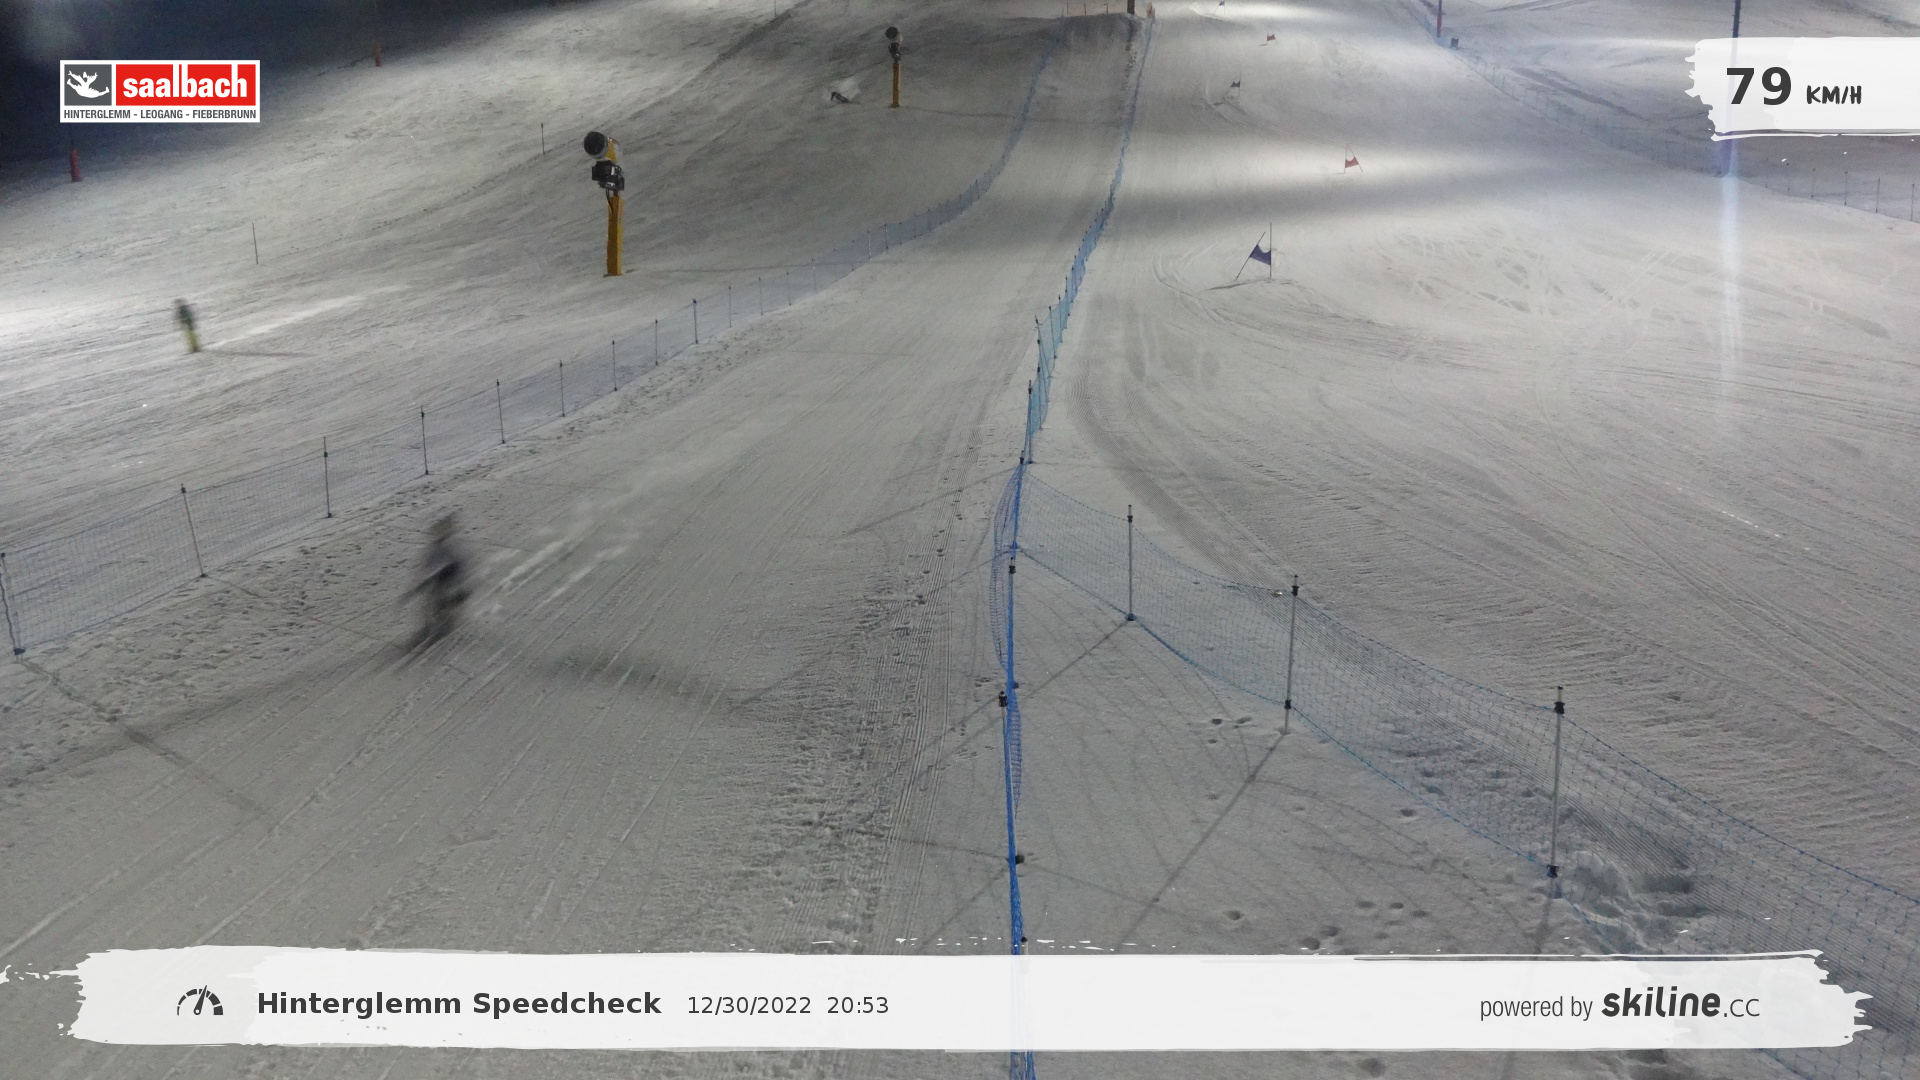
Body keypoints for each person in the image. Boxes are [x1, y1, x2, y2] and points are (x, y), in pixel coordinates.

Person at [408, 513, 470, 645]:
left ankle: (445, 622)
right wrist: (420, 583)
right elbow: (428, 567)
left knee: (444, 602)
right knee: (431, 604)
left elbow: (461, 566)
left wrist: (462, 587)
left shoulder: (452, 547)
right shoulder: (435, 548)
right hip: (439, 581)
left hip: (450, 579)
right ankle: (429, 626)